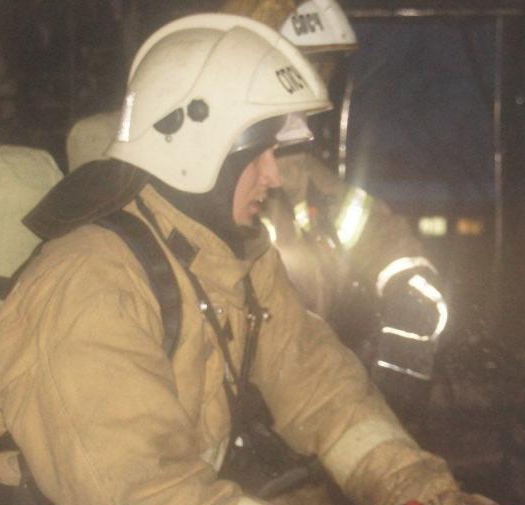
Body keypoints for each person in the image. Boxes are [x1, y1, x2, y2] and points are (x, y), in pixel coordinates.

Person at [0, 13, 491, 505]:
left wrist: (416, 488)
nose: (275, 175)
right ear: (194, 146)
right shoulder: (87, 285)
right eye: (259, 152)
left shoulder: (226, 259)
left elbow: (316, 383)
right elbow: (146, 500)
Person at [66, 0, 450, 406]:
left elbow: (365, 226)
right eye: (303, 65)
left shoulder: (291, 166)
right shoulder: (153, 165)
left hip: (289, 368)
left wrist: (407, 284)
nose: (310, 83)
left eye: (324, 69)